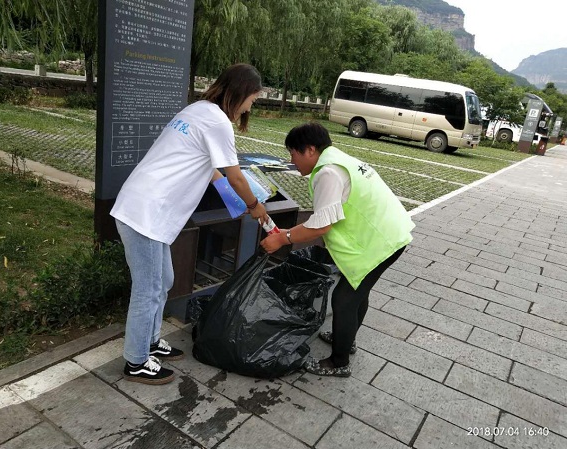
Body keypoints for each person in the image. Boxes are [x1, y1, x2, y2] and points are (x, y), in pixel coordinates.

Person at [111, 63, 269, 385]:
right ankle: (136, 361)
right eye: (252, 100)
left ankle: (150, 341)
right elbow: (235, 176)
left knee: (164, 280)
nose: (249, 108)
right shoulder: (218, 121)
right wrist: (254, 205)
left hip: (148, 209)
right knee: (148, 289)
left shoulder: (198, 110)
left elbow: (211, 170)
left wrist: (236, 198)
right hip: (145, 212)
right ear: (241, 93)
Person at [260, 122, 414, 377]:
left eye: (293, 153)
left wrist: (282, 239)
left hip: (380, 243)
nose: (291, 160)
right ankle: (347, 338)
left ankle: (339, 362)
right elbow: (326, 218)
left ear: (310, 150)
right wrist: (291, 233)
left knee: (344, 299)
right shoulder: (338, 160)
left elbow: (321, 225)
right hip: (388, 235)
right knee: (356, 292)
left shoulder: (328, 172)